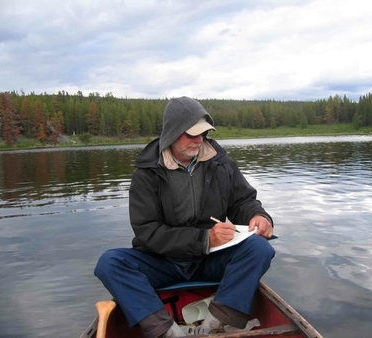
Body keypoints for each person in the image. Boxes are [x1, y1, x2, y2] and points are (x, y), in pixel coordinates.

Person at [94, 96, 275, 337]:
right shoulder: (146, 173)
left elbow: (242, 200)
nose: (199, 140)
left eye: (203, 133)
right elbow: (148, 232)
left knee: (258, 248)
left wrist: (258, 215)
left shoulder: (221, 163)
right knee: (110, 263)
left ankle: (215, 324)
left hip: (210, 260)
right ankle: (168, 332)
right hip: (162, 262)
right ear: (172, 133)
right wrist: (204, 239)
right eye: (191, 134)